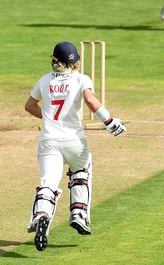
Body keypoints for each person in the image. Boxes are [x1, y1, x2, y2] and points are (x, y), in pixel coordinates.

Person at [24, 41, 126, 251]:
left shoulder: (44, 80)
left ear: (54, 60)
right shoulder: (81, 79)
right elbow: (90, 101)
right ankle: (78, 214)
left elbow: (30, 106)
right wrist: (110, 122)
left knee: (48, 184)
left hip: (49, 140)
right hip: (74, 141)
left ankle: (41, 215)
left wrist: (48, 119)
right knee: (81, 171)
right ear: (76, 61)